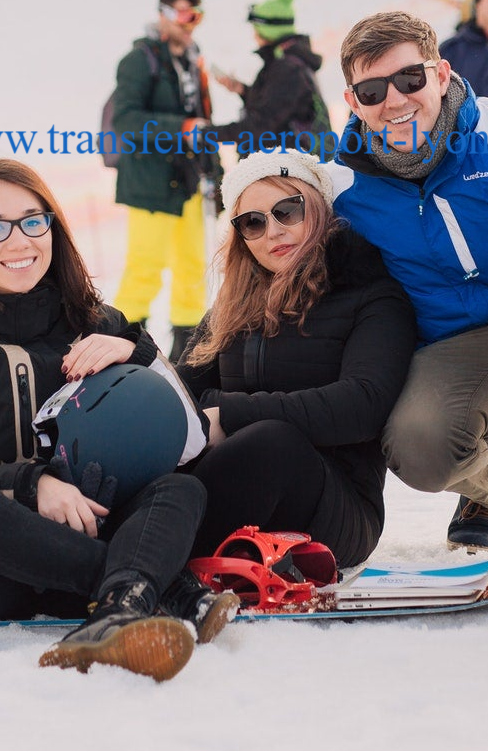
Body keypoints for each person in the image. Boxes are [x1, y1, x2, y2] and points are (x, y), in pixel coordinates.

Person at [0, 160, 230, 680]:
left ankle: (118, 610)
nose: (19, 240)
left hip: (98, 522)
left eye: (34, 220)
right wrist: (33, 486)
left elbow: (188, 441)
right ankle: (145, 589)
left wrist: (134, 351)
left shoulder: (98, 321)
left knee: (180, 490)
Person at [324, 11, 488, 572]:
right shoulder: (344, 188)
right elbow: (271, 244)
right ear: (353, 103)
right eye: (373, 90)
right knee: (416, 445)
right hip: (460, 359)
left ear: (442, 74)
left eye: (410, 79)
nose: (395, 101)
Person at [179, 150, 417, 568]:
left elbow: (360, 406)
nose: (273, 231)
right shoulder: (232, 305)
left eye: (287, 211)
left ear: (318, 208)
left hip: (336, 509)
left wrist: (230, 414)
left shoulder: (370, 294)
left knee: (272, 441)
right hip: (237, 489)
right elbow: (185, 397)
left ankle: (164, 560)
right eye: (253, 222)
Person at [112, 0, 220, 358]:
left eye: (197, 16)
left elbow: (205, 120)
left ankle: (186, 354)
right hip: (149, 186)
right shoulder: (140, 60)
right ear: (163, 14)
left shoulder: (193, 60)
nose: (190, 24)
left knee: (192, 268)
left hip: (187, 182)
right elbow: (125, 121)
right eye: (183, 14)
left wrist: (217, 177)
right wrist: (181, 129)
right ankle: (118, 345)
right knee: (145, 269)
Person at [214, 0, 331, 153]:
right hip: (284, 163)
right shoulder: (289, 61)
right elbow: (278, 106)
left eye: (256, 29)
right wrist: (242, 90)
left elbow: (261, 125)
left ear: (269, 31)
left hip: (284, 168)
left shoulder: (287, 69)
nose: (254, 36)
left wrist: (207, 134)